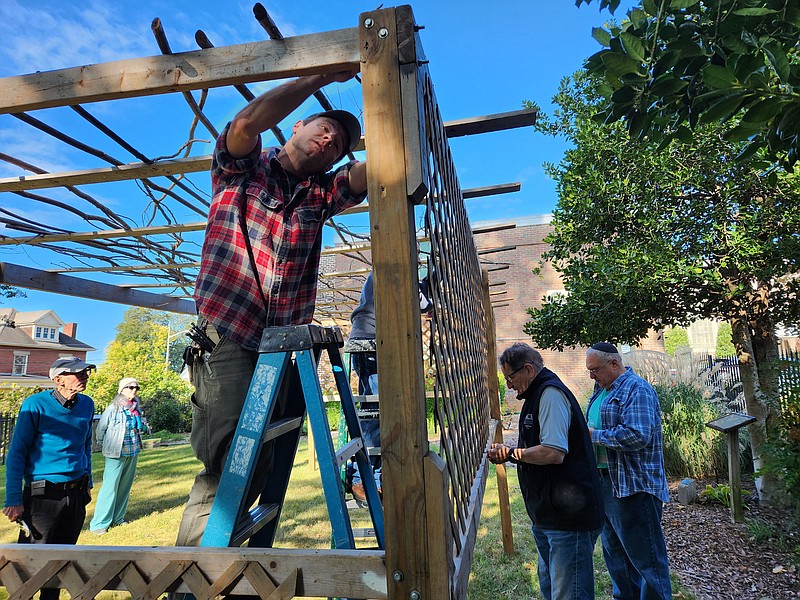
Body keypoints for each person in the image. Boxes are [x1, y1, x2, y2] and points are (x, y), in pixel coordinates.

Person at [176, 70, 368, 547]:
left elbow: (368, 174)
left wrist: (387, 104)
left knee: (258, 461)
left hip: (279, 345)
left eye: (340, 143)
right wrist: (320, 76)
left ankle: (232, 571)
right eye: (324, 128)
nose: (329, 140)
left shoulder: (321, 193)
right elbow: (244, 124)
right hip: (229, 333)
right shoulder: (243, 168)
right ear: (298, 123)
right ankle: (190, 580)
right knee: (229, 464)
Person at [488, 343, 603, 600]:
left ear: (528, 369)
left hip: (568, 519)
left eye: (510, 377)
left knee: (568, 594)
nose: (508, 385)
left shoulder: (549, 393)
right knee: (552, 589)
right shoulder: (536, 395)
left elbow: (553, 452)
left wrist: (510, 454)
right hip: (550, 517)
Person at [2, 357, 95, 600]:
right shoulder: (35, 405)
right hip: (43, 495)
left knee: (60, 562)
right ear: (58, 379)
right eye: (78, 373)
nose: (84, 376)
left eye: (86, 372)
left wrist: (88, 483)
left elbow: (86, 446)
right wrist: (13, 498)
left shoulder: (87, 404)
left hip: (76, 493)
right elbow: (17, 453)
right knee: (32, 564)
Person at [585, 342, 672, 600]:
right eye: (589, 371)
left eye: (595, 370)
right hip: (606, 485)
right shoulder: (601, 389)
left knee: (647, 562)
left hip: (634, 488)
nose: (592, 376)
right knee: (616, 560)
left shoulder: (638, 390)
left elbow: (638, 436)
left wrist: (593, 436)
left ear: (614, 363)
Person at [344, 271, 432, 502]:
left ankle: (370, 475)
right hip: (370, 341)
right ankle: (363, 479)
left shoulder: (388, 270)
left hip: (369, 339)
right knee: (377, 413)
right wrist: (430, 306)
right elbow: (423, 302)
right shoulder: (395, 264)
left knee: (378, 409)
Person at [90, 377, 148, 534]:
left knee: (124, 487)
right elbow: (100, 429)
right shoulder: (113, 408)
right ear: (121, 390)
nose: (134, 390)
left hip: (133, 450)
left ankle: (118, 518)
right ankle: (99, 524)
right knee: (110, 488)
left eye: (136, 388)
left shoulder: (136, 409)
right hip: (116, 452)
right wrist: (105, 446)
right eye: (130, 387)